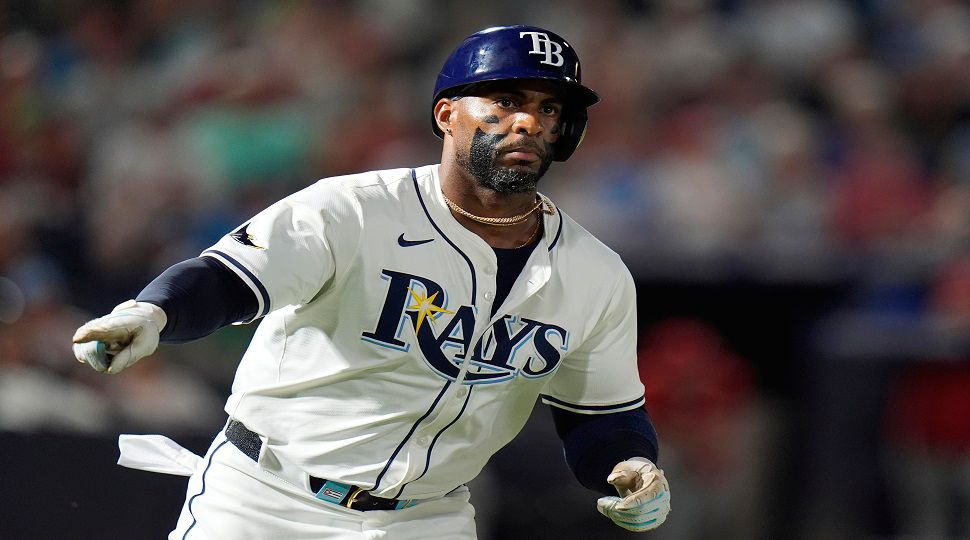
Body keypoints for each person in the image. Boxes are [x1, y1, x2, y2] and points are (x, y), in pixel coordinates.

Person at [72, 25, 671, 539]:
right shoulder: (355, 209)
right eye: (506, 99)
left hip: (425, 519)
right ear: (445, 114)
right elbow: (229, 280)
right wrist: (154, 312)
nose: (529, 122)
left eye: (549, 109)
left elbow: (601, 415)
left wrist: (632, 464)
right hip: (263, 501)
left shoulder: (596, 274)